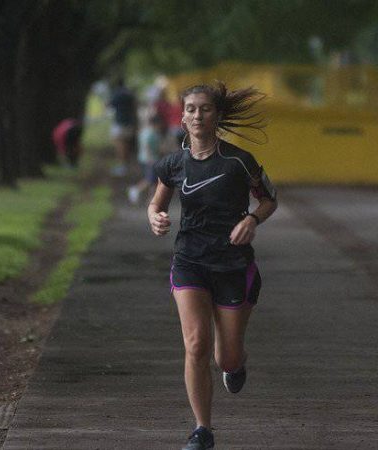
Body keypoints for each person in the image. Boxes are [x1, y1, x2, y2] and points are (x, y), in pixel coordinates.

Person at [147, 82, 278, 450]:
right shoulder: (173, 163)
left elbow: (269, 200)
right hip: (189, 261)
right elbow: (156, 204)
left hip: (233, 265)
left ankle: (236, 364)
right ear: (182, 115)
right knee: (195, 344)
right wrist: (155, 217)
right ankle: (202, 430)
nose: (197, 115)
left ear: (217, 116)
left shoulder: (239, 161)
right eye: (190, 109)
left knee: (226, 356)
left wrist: (252, 220)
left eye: (205, 109)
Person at [127, 115, 164, 204]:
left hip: (146, 159)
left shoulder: (145, 132)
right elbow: (146, 146)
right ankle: (136, 189)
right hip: (150, 160)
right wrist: (150, 158)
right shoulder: (151, 133)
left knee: (154, 180)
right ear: (156, 124)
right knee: (150, 179)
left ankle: (152, 198)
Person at [107, 78, 138, 177]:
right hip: (130, 122)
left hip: (120, 123)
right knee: (127, 145)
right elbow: (135, 106)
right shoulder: (129, 93)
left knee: (119, 145)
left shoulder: (117, 94)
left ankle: (122, 167)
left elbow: (109, 105)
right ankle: (126, 166)